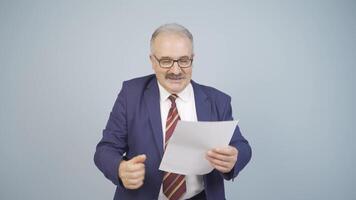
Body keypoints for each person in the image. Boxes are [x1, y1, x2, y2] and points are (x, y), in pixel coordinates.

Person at [94, 23, 252, 200]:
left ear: (192, 59)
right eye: (166, 61)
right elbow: (106, 149)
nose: (176, 70)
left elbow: (242, 146)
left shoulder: (218, 100)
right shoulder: (130, 94)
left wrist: (233, 158)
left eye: (184, 60)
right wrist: (119, 168)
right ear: (153, 61)